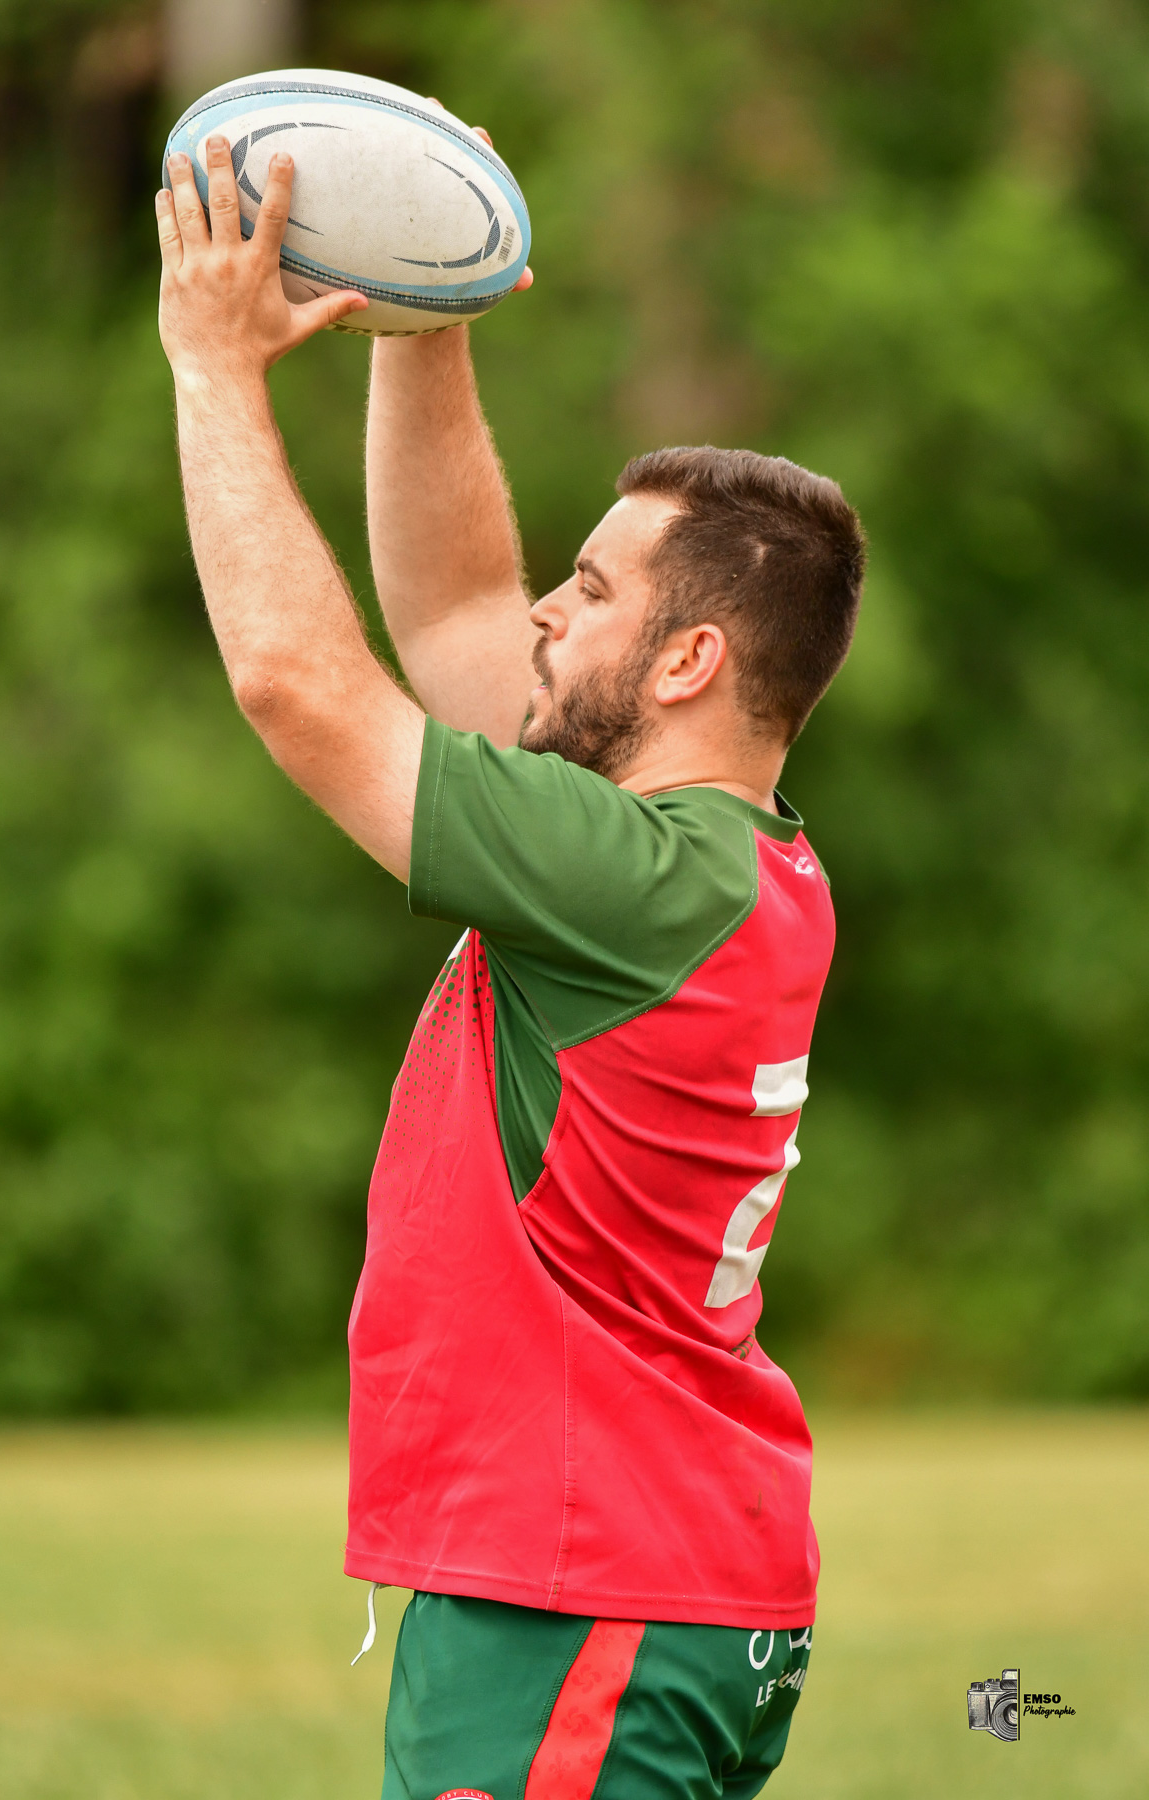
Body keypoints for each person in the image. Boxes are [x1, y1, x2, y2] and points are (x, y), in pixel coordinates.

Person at [156, 129, 866, 1800]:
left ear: (690, 657)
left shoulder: (626, 879)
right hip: (659, 1576)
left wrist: (212, 367)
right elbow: (463, 608)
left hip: (586, 1586)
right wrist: (428, 312)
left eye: (596, 588)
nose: (552, 606)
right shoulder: (723, 858)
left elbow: (297, 685)